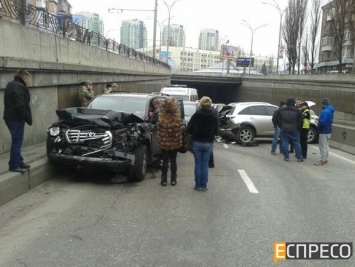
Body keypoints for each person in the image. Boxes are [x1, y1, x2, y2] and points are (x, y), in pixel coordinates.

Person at [186, 96, 219, 191]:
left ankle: (197, 185)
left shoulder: (196, 115)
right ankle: (204, 186)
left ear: (201, 104)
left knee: (198, 164)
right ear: (210, 105)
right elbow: (217, 131)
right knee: (205, 165)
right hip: (208, 143)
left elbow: (189, 129)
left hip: (197, 142)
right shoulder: (213, 116)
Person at [3, 70, 32, 172]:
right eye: (28, 79)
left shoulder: (11, 84)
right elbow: (20, 105)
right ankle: (14, 165)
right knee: (17, 142)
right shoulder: (19, 86)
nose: (28, 81)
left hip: (10, 118)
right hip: (16, 119)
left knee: (17, 141)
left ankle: (19, 162)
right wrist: (23, 117)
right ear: (24, 78)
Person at [157, 97, 183, 186]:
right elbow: (179, 131)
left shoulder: (161, 116)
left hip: (164, 143)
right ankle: (173, 180)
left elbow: (159, 130)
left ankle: (164, 180)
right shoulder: (177, 117)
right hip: (174, 143)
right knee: (173, 161)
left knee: (164, 161)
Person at [314, 98, 335, 166]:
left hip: (324, 131)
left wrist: (318, 127)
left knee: (322, 146)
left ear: (323, 104)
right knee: (326, 146)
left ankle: (322, 160)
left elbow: (323, 122)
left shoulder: (325, 111)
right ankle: (326, 159)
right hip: (328, 130)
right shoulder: (330, 110)